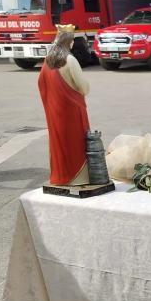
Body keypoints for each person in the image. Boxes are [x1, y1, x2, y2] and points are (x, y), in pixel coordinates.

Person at [37, 24, 91, 186]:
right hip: (72, 112)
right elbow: (84, 88)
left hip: (55, 111)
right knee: (76, 144)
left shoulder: (48, 61)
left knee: (59, 143)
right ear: (70, 42)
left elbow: (41, 83)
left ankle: (60, 176)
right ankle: (77, 178)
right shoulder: (70, 60)